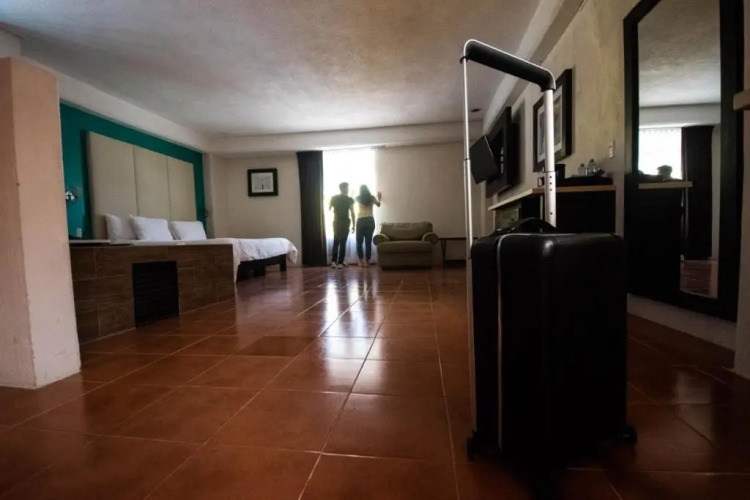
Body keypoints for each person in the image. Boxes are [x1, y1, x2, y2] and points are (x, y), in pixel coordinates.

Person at [329, 182, 355, 269]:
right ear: (344, 188)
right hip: (345, 222)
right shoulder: (349, 199)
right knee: (343, 242)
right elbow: (352, 213)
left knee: (336, 241)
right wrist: (354, 225)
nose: (348, 189)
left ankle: (333, 262)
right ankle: (340, 263)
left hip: (336, 221)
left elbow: (329, 208)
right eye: (347, 188)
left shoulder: (334, 198)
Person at [355, 185, 382, 267]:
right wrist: (379, 198)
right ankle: (367, 262)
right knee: (368, 242)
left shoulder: (358, 198)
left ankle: (360, 261)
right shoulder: (372, 198)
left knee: (359, 242)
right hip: (370, 221)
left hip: (361, 221)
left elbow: (352, 200)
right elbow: (378, 205)